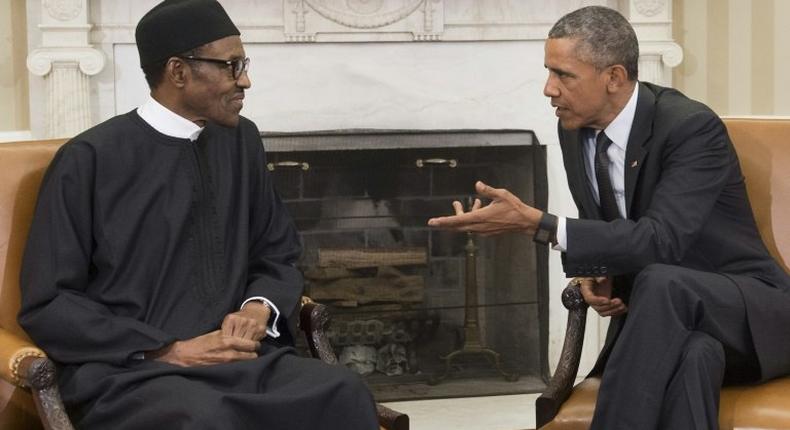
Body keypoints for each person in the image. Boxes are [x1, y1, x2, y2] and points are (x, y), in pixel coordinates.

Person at [17, 0, 378, 429]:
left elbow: (276, 251)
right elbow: (50, 302)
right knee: (205, 418)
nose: (245, 79)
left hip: (239, 360)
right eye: (230, 65)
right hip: (131, 372)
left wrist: (257, 308)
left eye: (243, 63)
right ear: (178, 71)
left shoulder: (241, 141)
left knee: (343, 391)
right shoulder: (88, 160)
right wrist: (169, 349)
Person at [428, 6, 790, 429]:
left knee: (660, 280)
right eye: (548, 72)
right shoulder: (572, 129)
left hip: (752, 316)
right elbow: (605, 226)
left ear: (614, 77)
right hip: (681, 328)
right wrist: (599, 274)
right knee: (696, 357)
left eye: (564, 75)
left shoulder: (691, 128)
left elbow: (661, 241)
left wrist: (539, 225)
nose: (549, 89)